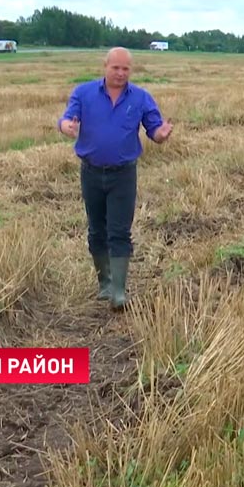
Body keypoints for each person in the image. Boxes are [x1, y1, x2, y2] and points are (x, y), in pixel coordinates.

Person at [58, 47, 174, 310]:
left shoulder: (141, 98)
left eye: (126, 69)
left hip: (123, 175)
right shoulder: (83, 93)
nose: (121, 73)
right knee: (96, 230)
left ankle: (119, 292)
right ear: (105, 66)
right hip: (91, 173)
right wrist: (67, 127)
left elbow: (154, 129)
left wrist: (161, 135)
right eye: (116, 68)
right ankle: (105, 283)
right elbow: (66, 120)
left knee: (119, 232)